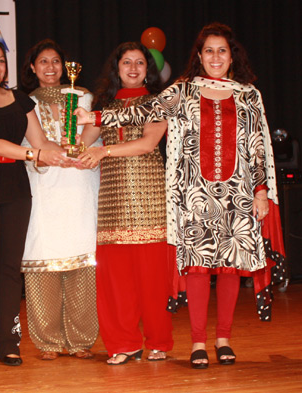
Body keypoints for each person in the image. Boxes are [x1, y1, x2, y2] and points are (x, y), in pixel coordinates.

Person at [75, 23, 286, 369]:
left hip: (238, 193)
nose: (215, 57)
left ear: (232, 56)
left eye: (222, 50)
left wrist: (261, 192)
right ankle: (199, 343)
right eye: (208, 51)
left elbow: (259, 147)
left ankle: (224, 339)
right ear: (198, 56)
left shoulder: (249, 95)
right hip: (195, 194)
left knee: (232, 269)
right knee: (198, 269)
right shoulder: (183, 90)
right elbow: (143, 110)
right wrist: (97, 115)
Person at [0, 38, 70, 371]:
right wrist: (36, 154)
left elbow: (41, 142)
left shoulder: (21, 100)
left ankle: (8, 344)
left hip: (17, 189)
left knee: (10, 272)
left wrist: (70, 150)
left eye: (1, 61)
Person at [74, 42, 173, 365]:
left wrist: (104, 151)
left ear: (149, 69)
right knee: (115, 277)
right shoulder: (103, 104)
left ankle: (158, 341)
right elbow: (83, 143)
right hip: (114, 198)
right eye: (126, 62)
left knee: (153, 277)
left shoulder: (157, 102)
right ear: (116, 69)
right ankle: (123, 342)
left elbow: (147, 144)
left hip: (149, 196)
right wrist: (71, 127)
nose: (133, 68)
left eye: (140, 63)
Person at [19, 39, 99, 360]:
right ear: (32, 67)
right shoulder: (22, 103)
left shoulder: (84, 97)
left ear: (65, 66)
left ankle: (81, 340)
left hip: (80, 184)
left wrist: (78, 145)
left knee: (83, 262)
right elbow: (28, 145)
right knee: (44, 261)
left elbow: (94, 133)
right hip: (43, 187)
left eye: (55, 61)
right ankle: (48, 341)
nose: (50, 67)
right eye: (43, 62)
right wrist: (48, 155)